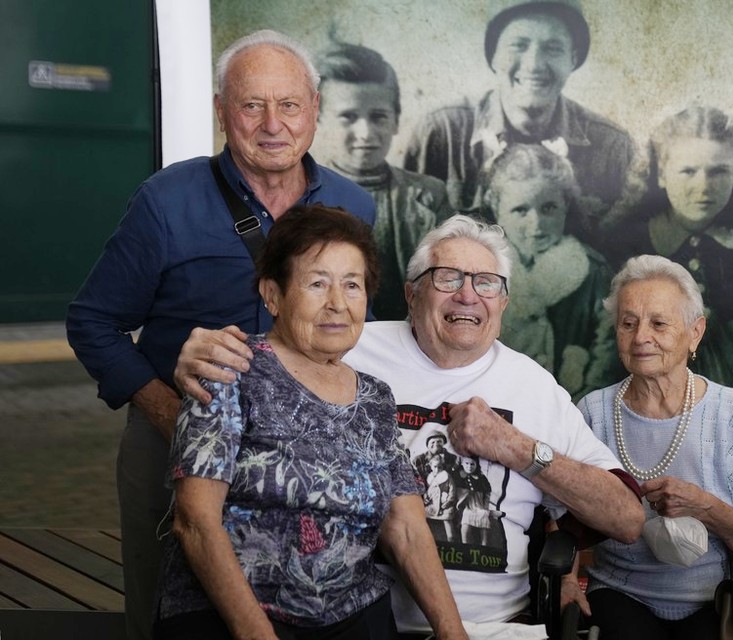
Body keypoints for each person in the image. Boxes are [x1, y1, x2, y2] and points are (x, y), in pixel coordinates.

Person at [173, 214, 646, 635]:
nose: (468, 295)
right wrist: (199, 356)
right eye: (448, 278)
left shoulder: (531, 385)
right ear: (411, 291)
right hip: (352, 612)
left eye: (486, 282)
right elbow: (273, 353)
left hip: (484, 621)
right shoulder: (344, 345)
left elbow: (626, 518)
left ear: (504, 302)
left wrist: (520, 449)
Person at [64, 30, 375, 640]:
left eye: (288, 105)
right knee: (165, 618)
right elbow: (93, 322)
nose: (272, 124)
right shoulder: (166, 200)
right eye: (250, 105)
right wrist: (170, 413)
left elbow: (348, 328)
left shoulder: (352, 204)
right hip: (175, 443)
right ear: (220, 111)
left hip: (307, 459)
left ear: (314, 108)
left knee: (303, 615)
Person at [155, 205, 466, 640]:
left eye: (352, 285)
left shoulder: (375, 397)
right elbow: (195, 522)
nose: (337, 303)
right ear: (273, 295)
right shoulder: (229, 369)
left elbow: (407, 528)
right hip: (236, 614)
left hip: (352, 612)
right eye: (317, 283)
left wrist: (454, 634)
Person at [597, 106, 733, 485]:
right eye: (688, 171)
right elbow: (603, 337)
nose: (703, 186)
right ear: (662, 174)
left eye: (719, 171)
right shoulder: (628, 242)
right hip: (645, 404)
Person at [570, 254, 733, 640]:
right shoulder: (594, 412)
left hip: (720, 597)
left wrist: (707, 508)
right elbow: (561, 515)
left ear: (695, 333)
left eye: (659, 323)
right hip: (621, 591)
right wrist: (569, 581)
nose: (641, 338)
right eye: (628, 323)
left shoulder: (731, 412)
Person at [403, 0, 634, 239]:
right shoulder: (442, 134)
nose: (533, 64)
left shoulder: (611, 146)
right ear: (494, 56)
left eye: (553, 48)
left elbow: (622, 250)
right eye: (518, 45)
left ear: (572, 59)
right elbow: (408, 243)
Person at [315, 42, 452, 320]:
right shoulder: (301, 196)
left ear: (396, 120)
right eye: (348, 117)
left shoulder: (428, 196)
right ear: (319, 119)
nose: (365, 133)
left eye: (378, 117)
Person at [482, 143, 619, 399]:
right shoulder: (480, 268)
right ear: (497, 208)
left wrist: (584, 399)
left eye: (549, 208)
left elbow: (608, 347)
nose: (536, 224)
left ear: (565, 205)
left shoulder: (591, 270)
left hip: (569, 403)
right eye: (520, 210)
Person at [454, 456, 496, 546]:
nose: (469, 466)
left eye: (472, 464)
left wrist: (485, 506)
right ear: (462, 464)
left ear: (476, 465)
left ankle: (484, 544)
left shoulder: (481, 478)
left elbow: (487, 492)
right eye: (467, 464)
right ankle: (464, 543)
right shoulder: (460, 476)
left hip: (479, 504)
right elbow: (458, 491)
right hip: (467, 504)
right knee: (466, 515)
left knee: (484, 514)